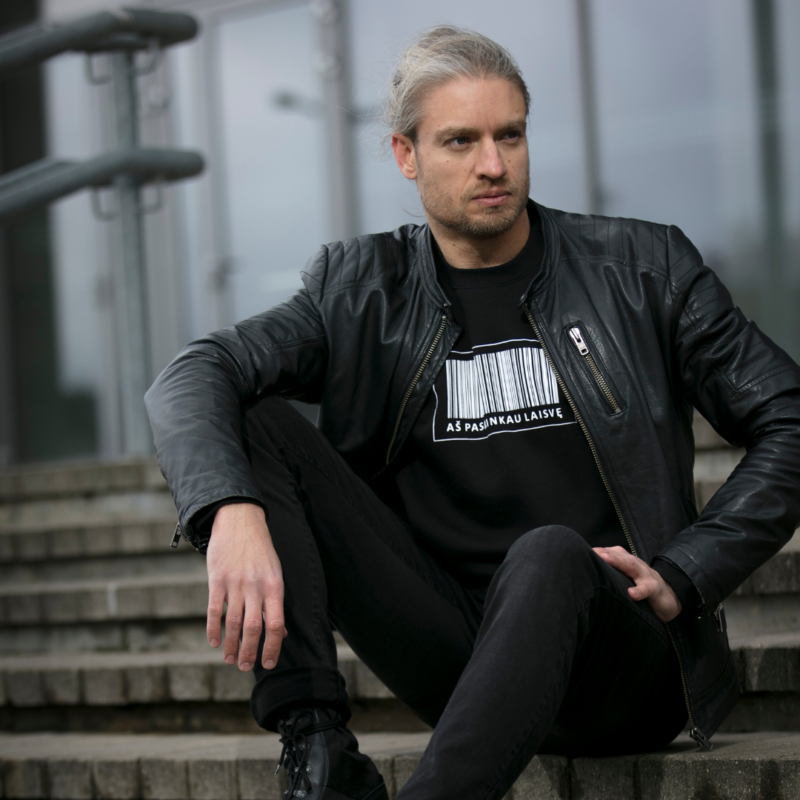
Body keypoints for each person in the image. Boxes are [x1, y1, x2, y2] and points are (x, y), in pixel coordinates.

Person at [145, 26, 800, 800]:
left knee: (550, 554)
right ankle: (319, 753)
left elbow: (788, 420)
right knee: (252, 421)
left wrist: (687, 571)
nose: (493, 164)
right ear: (406, 155)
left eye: (509, 135)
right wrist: (229, 509)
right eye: (460, 141)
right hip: (457, 650)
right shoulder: (360, 292)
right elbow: (194, 372)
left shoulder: (642, 270)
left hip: (623, 657)